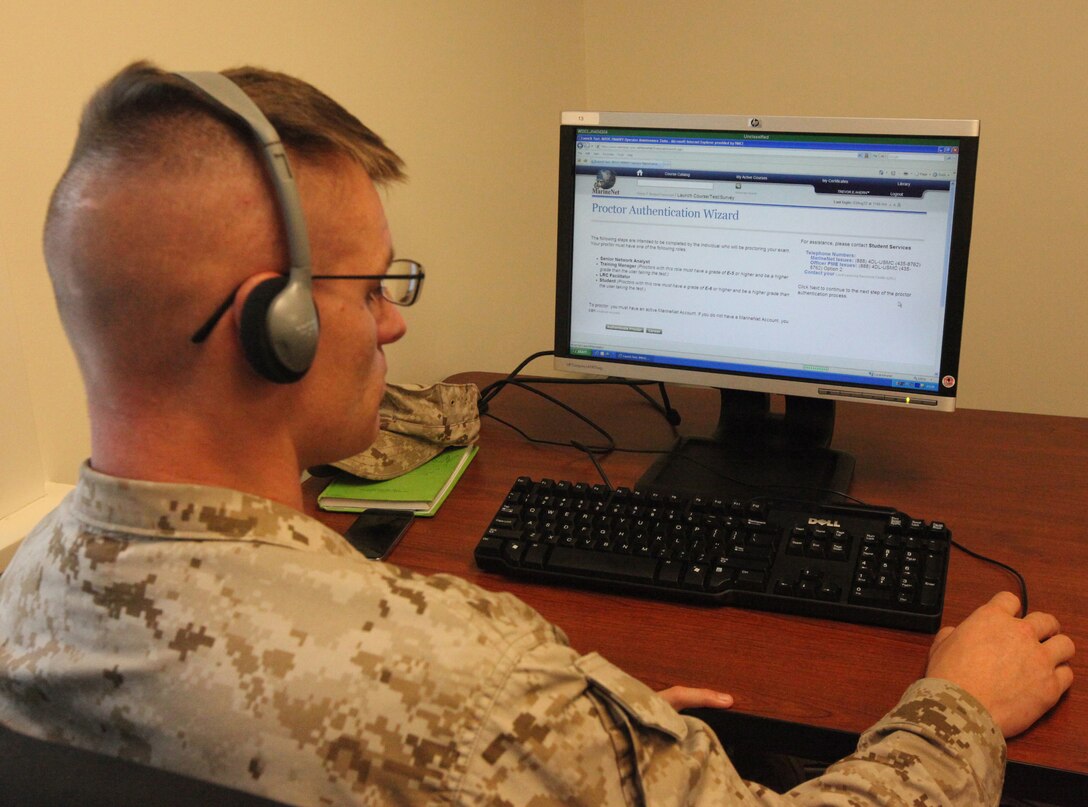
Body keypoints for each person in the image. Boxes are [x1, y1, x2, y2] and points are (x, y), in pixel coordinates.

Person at [0, 60, 1074, 806]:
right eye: (371, 286)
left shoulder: (20, 598)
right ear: (269, 327)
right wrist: (957, 708)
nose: (395, 319)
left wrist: (594, 736)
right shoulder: (472, 693)